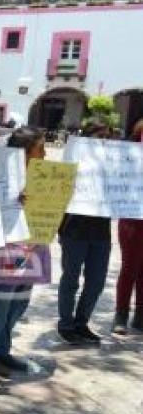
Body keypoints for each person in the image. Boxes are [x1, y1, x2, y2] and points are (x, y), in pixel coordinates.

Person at [0, 127, 50, 377]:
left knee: (20, 300)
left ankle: (2, 350)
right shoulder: (2, 175)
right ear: (25, 153)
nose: (46, 154)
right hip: (7, 245)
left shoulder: (45, 177)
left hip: (33, 243)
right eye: (41, 149)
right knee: (0, 301)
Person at [57, 120, 113, 345]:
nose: (105, 140)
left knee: (97, 281)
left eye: (108, 136)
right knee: (70, 279)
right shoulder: (73, 158)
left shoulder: (114, 163)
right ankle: (66, 324)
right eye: (100, 135)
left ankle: (82, 322)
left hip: (101, 231)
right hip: (74, 229)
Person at [113, 119, 143, 334]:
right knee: (129, 267)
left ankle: (140, 315)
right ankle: (121, 314)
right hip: (132, 220)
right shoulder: (126, 158)